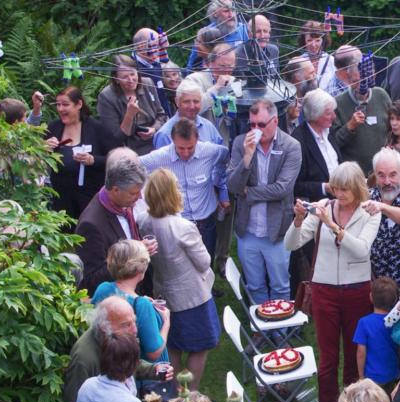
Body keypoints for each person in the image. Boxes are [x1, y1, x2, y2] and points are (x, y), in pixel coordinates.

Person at [285, 162, 379, 402]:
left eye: (345, 189)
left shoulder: (370, 212)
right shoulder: (325, 205)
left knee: (353, 355)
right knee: (327, 358)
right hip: (324, 288)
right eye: (336, 188)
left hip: (357, 289)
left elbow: (361, 250)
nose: (339, 194)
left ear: (357, 189)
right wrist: (299, 220)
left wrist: (332, 225)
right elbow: (291, 244)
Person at [140, 168, 220, 389]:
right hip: (191, 297)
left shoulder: (143, 221)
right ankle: (190, 396)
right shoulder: (183, 227)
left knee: (172, 346)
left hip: (163, 293)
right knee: (200, 347)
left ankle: (172, 395)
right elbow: (204, 262)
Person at [227, 98, 302, 304]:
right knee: (255, 285)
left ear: (275, 121)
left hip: (276, 231)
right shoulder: (241, 144)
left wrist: (248, 193)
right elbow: (232, 187)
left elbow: (282, 189)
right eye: (252, 125)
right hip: (248, 231)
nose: (255, 130)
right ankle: (261, 329)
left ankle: (280, 331)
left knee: (280, 285)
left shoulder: (291, 146)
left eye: (261, 125)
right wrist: (247, 157)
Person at [141, 118, 230, 262]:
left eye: (191, 147)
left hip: (206, 221)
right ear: (172, 140)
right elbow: (133, 165)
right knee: (182, 266)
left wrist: (220, 185)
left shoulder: (211, 151)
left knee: (207, 263)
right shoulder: (159, 157)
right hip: (178, 225)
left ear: (197, 140)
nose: (186, 152)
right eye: (181, 148)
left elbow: (225, 158)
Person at [75, 149, 152, 297]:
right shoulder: (91, 225)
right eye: (133, 193)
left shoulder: (123, 205)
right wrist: (134, 254)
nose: (139, 197)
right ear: (115, 190)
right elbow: (91, 280)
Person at [90, 239, 169, 363]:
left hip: (112, 362)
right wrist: (166, 322)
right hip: (145, 375)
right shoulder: (142, 305)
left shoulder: (103, 288)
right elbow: (154, 352)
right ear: (140, 269)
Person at [45, 86, 115, 220]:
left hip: (90, 196)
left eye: (65, 104)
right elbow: (38, 158)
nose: (60, 109)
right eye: (58, 105)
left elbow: (115, 158)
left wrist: (93, 160)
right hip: (62, 197)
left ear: (79, 104)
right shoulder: (53, 127)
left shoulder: (96, 128)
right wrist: (44, 148)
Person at [364, 148, 400, 284]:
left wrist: (382, 207)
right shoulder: (368, 196)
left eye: (392, 175)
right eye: (381, 175)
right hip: (373, 282)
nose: (387, 181)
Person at [332, 45, 393, 175]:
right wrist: (350, 126)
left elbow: (393, 128)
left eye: (364, 80)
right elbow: (334, 143)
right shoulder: (338, 103)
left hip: (381, 172)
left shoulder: (381, 95)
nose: (360, 86)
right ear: (348, 79)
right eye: (355, 81)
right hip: (354, 175)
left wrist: (391, 145)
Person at [97, 54, 168, 155]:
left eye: (132, 74)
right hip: (128, 150)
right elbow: (115, 139)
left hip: (155, 142)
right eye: (125, 77)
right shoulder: (106, 97)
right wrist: (129, 114)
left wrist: (154, 129)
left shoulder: (147, 83)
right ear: (116, 79)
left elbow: (162, 115)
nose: (130, 80)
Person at [292, 88, 342, 202]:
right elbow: (296, 185)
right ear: (315, 115)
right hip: (317, 208)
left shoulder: (329, 131)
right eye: (328, 113)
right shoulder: (298, 142)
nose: (334, 116)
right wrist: (324, 188)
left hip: (340, 200)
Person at [353, 277, 400, 391]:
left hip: (372, 376)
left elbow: (361, 352)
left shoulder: (364, 323)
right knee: (389, 399)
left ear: (371, 297)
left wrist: (361, 376)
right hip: (393, 372)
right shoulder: (397, 321)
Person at [153, 80, 224, 149]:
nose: (192, 106)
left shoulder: (208, 127)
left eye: (196, 101)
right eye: (186, 102)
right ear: (177, 101)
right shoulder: (165, 134)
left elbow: (220, 157)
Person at [131, 27, 172, 116]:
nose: (158, 49)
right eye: (156, 45)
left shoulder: (156, 63)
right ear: (141, 47)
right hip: (149, 122)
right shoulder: (132, 69)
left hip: (165, 116)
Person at [298, 19, 337, 95]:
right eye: (309, 40)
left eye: (317, 40)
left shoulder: (331, 61)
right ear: (304, 41)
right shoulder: (299, 62)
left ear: (323, 41)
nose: (313, 45)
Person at [239, 13, 279, 82]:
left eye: (265, 31)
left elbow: (276, 78)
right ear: (249, 34)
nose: (262, 36)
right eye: (258, 31)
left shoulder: (274, 51)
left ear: (269, 33)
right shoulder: (239, 54)